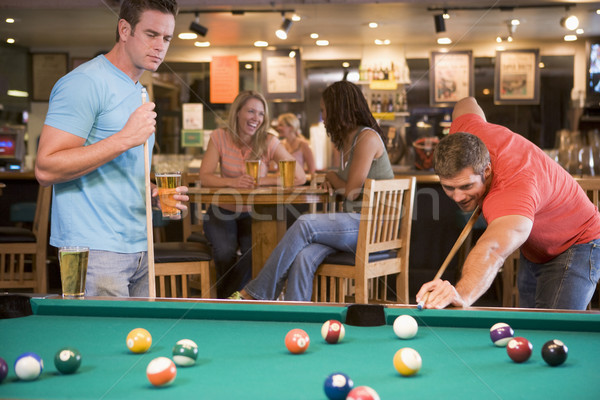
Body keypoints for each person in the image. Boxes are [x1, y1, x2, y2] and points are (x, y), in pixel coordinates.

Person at [35, 0, 188, 297]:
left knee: (139, 342)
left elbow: (120, 168)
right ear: (124, 29)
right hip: (95, 250)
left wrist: (153, 192)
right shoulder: (84, 83)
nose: (160, 46)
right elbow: (45, 168)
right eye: (151, 34)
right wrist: (124, 138)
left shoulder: (139, 90)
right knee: (103, 342)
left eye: (167, 38)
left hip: (141, 245)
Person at [416, 97, 600, 310]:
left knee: (554, 334)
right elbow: (466, 103)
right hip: (536, 247)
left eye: (466, 187)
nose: (457, 197)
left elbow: (491, 250)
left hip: (577, 242)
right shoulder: (466, 135)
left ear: (487, 171)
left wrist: (462, 295)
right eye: (449, 187)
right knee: (529, 326)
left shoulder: (512, 190)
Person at [230, 80, 394, 301]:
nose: (323, 118)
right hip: (355, 225)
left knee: (305, 223)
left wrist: (330, 176)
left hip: (373, 227)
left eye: (324, 111)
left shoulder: (366, 137)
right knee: (304, 256)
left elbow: (352, 192)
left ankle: (256, 292)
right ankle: (295, 316)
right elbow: (346, 187)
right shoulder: (346, 142)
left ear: (338, 110)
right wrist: (333, 182)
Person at [198, 90, 306, 298]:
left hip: (254, 212)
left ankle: (228, 298)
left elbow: (299, 176)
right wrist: (233, 182)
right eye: (251, 111)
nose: (256, 118)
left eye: (261, 114)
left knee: (257, 252)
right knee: (224, 252)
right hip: (222, 210)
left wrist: (261, 181)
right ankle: (230, 297)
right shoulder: (219, 137)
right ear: (237, 112)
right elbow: (205, 176)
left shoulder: (268, 141)